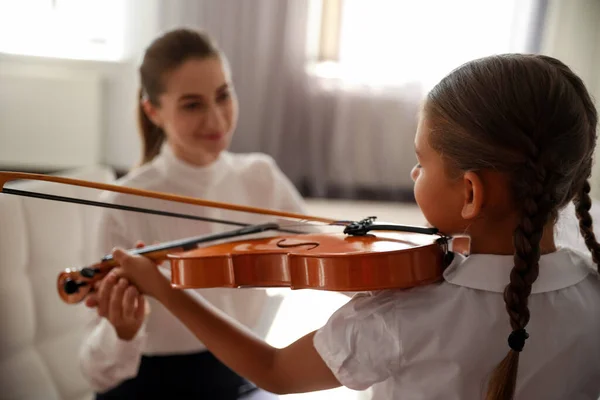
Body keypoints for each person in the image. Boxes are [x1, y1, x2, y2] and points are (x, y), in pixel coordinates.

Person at [106, 53, 600, 399]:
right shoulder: (592, 290)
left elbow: (274, 372)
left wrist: (164, 287)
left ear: (470, 193)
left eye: (420, 161)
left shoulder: (397, 321)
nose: (413, 173)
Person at [78, 28, 310, 399]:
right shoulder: (122, 203)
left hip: (247, 371)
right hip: (153, 386)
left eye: (223, 95)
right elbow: (95, 374)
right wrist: (122, 332)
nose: (217, 119)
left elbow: (324, 249)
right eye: (192, 105)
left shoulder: (260, 175)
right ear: (153, 111)